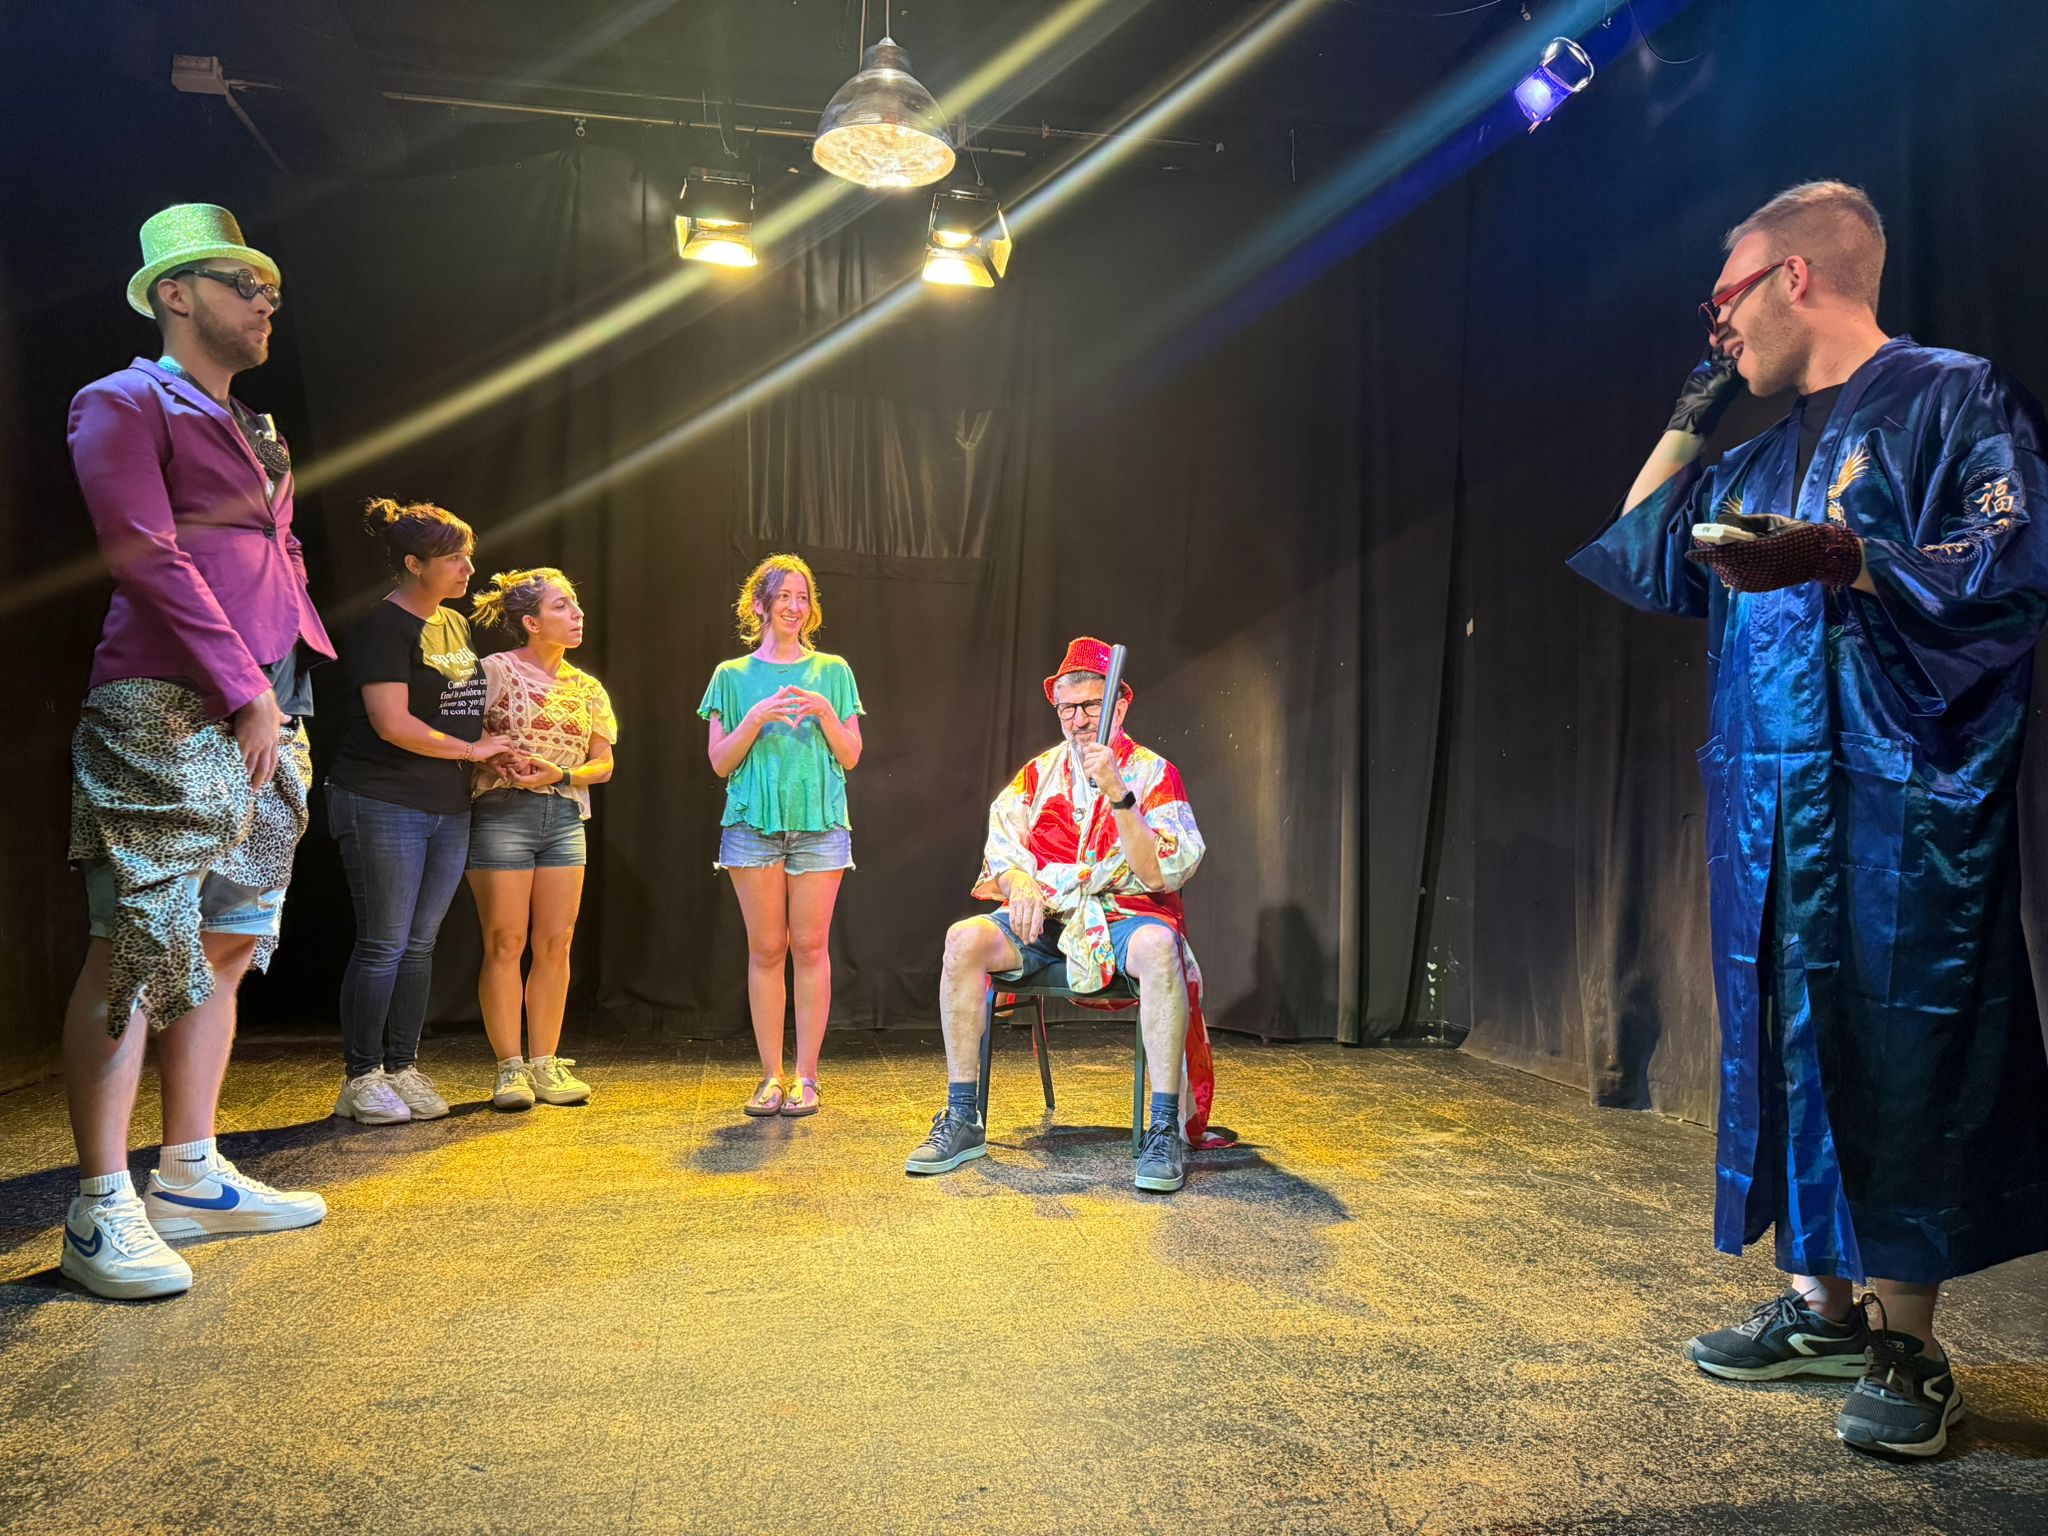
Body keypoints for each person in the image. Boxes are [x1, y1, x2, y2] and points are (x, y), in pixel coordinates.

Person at [1568, 181, 2048, 1457]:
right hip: (1768, 810)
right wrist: (1693, 408)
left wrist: (1844, 556)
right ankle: (1819, 1309)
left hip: (1898, 804)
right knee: (1785, 1036)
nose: (1715, 326)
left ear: (1794, 276)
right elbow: (1638, 544)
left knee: (1897, 1046)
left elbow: (2009, 565)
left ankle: (1907, 1344)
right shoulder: (1754, 456)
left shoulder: (1953, 397)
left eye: (1721, 300)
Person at [57, 204, 334, 1300]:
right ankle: (99, 1206)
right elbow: (143, 551)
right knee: (139, 943)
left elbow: (277, 547)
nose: (267, 302)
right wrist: (240, 684)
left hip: (269, 697)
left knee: (228, 938)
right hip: (166, 699)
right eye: (242, 283)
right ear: (175, 293)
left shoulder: (259, 427)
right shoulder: (122, 400)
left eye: (271, 289)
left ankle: (189, 1173)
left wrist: (286, 672)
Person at [904, 637, 1223, 1194]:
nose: (1078, 720)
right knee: (963, 939)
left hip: (1124, 917)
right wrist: (1020, 881)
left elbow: (1157, 875)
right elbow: (1003, 852)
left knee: (1159, 948)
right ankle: (962, 1116)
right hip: (1049, 921)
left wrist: (1119, 794)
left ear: (1119, 706)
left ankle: (1162, 1128)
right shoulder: (1037, 774)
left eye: (1091, 706)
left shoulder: (1153, 774)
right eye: (1067, 708)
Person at [326, 500, 513, 1125]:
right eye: (453, 558)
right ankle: (361, 1076)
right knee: (384, 942)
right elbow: (392, 723)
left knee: (420, 943)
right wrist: (473, 751)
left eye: (468, 556)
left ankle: (402, 1066)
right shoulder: (384, 626)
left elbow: (455, 711)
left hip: (445, 803)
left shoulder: (453, 624)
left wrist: (489, 754)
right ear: (414, 564)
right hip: (382, 798)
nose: (468, 569)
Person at [698, 554, 863, 1118]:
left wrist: (825, 713)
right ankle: (771, 1075)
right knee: (766, 949)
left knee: (810, 948)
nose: (795, 607)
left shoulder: (833, 671)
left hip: (819, 827)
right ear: (760, 605)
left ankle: (807, 1077)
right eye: (785, 597)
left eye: (803, 597)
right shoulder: (731, 675)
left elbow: (852, 754)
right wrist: (757, 717)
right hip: (752, 828)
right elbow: (720, 761)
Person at [467, 568, 617, 1111]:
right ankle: (510, 1068)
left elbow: (603, 763)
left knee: (556, 942)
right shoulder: (495, 669)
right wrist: (492, 753)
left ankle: (544, 1061)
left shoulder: (587, 687)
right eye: (562, 606)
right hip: (503, 812)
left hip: (564, 817)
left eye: (575, 605)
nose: (577, 614)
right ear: (531, 623)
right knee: (505, 942)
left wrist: (562, 774)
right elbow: (462, 731)